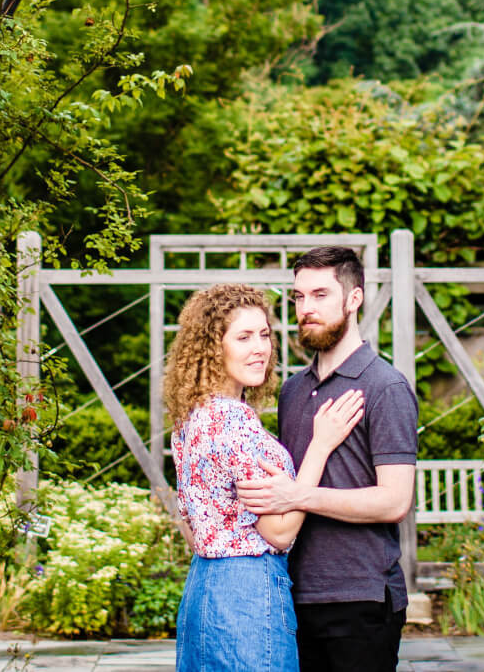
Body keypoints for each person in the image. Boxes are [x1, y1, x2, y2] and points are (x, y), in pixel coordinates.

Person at [167, 282, 366, 672]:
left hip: (202, 591)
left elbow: (191, 528)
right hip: (246, 595)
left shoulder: (190, 420)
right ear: (213, 347)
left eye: (264, 335)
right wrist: (321, 446)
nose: (260, 348)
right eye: (243, 337)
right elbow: (279, 531)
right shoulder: (235, 423)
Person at [237, 246, 417, 672]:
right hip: (291, 592)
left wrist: (298, 496)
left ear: (353, 299)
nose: (306, 308)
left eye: (320, 295)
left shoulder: (385, 386)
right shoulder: (291, 391)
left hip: (361, 599)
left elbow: (394, 501)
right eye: (299, 297)